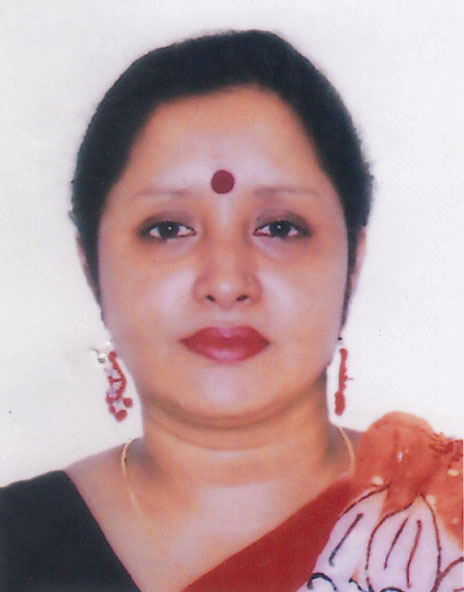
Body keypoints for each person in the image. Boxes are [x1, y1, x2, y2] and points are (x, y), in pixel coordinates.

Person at [1, 30, 462, 592]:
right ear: (92, 267)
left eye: (280, 227)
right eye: (168, 229)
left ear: (353, 262)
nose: (225, 283)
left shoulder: (447, 519)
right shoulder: (13, 548)